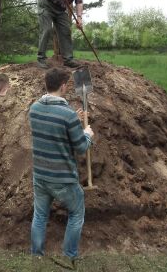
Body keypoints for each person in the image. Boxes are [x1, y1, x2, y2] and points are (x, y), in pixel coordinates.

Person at [29, 67, 94, 269]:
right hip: (63, 179)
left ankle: (36, 256)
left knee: (40, 215)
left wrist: (72, 119)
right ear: (64, 86)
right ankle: (68, 256)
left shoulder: (34, 108)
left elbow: (52, 128)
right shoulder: (67, 115)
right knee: (76, 214)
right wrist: (87, 134)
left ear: (47, 85)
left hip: (40, 175)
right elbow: (81, 147)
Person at [37, 0, 92, 69]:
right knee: (47, 29)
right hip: (46, 4)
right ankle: (41, 58)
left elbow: (79, 1)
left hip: (61, 9)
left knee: (66, 31)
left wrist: (79, 18)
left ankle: (68, 59)